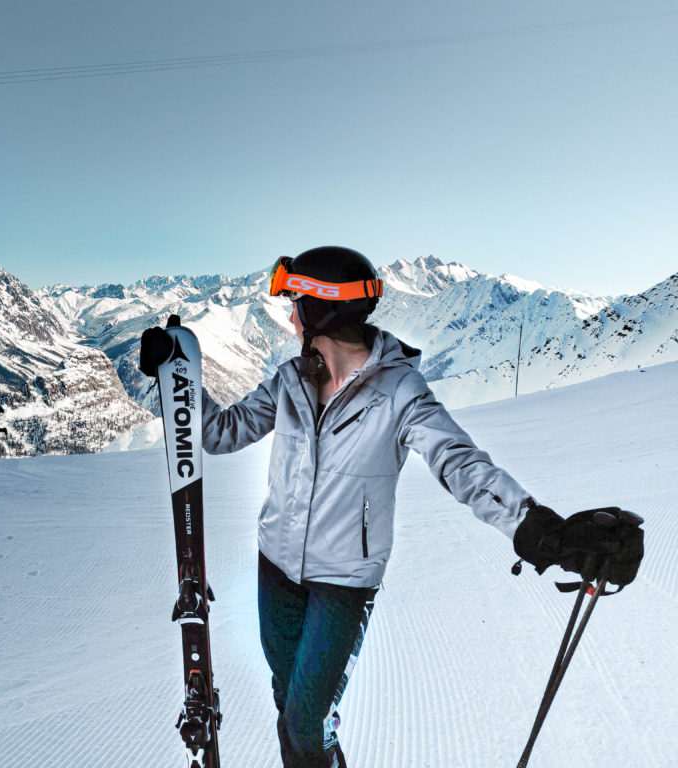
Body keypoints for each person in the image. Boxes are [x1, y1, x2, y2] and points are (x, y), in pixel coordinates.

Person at [140, 246, 643, 768]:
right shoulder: (289, 380)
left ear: (320, 310)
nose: (290, 317)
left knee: (305, 728)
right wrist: (176, 382)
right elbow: (220, 434)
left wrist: (543, 532)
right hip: (276, 571)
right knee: (289, 701)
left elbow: (461, 464)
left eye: (295, 304)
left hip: (343, 584)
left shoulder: (400, 391)